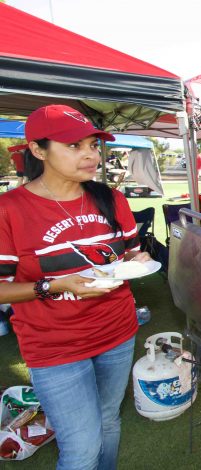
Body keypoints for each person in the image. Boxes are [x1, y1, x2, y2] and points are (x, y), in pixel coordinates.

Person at [0, 104, 151, 469]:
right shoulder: (11, 209)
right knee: (82, 448)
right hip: (54, 346)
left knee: (109, 420)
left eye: (93, 145)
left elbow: (131, 253)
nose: (90, 155)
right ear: (38, 149)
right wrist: (49, 286)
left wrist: (139, 262)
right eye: (74, 146)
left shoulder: (111, 198)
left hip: (117, 331)